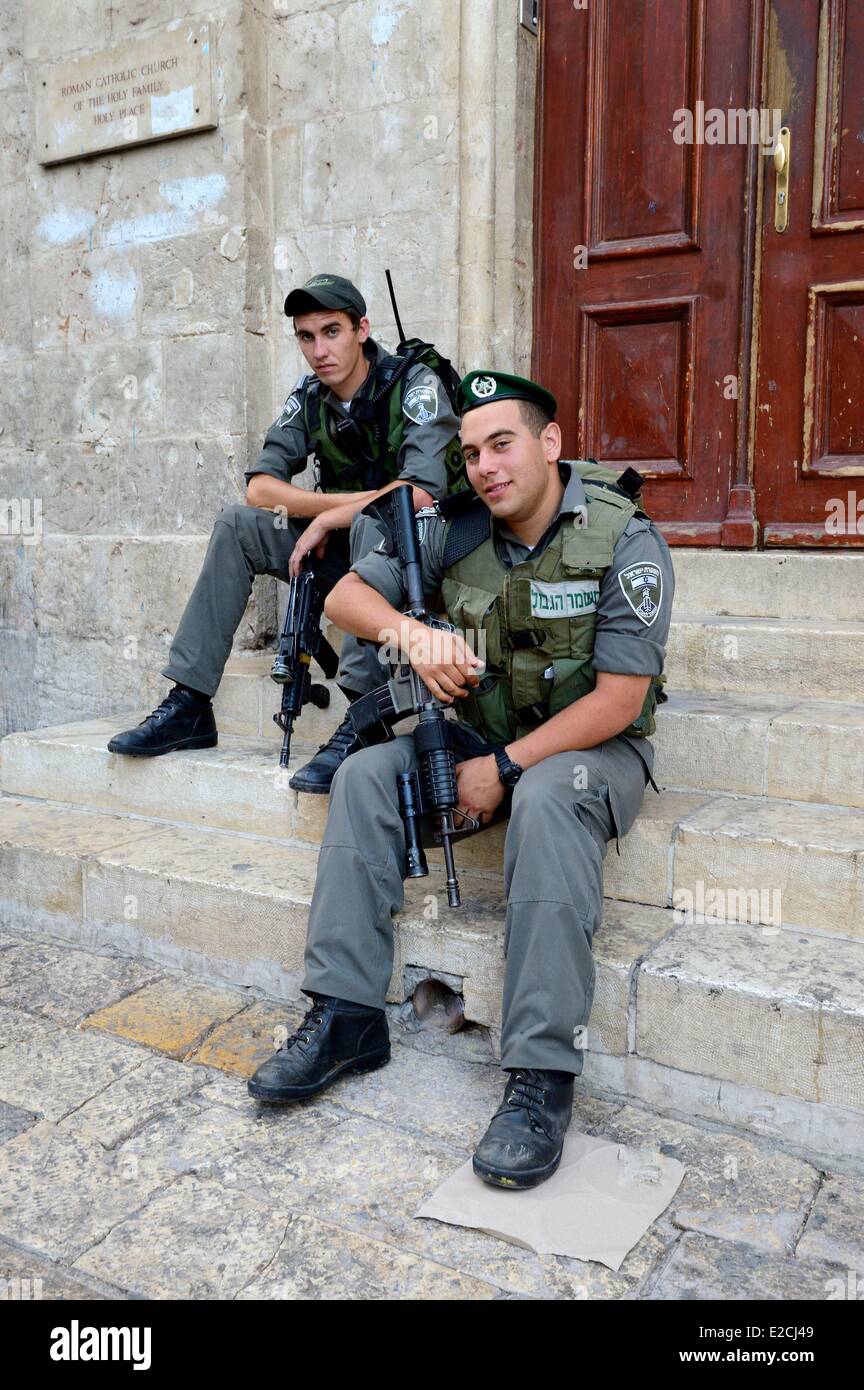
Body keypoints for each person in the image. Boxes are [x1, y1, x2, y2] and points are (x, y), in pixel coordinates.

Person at [247, 370, 675, 1190]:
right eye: (471, 451)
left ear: (550, 444)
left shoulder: (624, 539)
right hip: (482, 733)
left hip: (593, 750)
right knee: (369, 773)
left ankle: (541, 1076)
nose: (484, 465)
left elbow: (621, 699)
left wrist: (507, 769)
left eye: (502, 444)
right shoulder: (454, 526)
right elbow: (341, 594)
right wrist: (412, 633)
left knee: (548, 798)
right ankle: (345, 1017)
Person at [107, 272, 462, 793]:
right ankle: (190, 703)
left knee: (372, 519)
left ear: (362, 329)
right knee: (238, 524)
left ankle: (363, 718)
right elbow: (261, 489)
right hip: (341, 544)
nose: (319, 349)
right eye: (306, 336)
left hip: (411, 554)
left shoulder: (415, 386)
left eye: (332, 331)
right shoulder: (311, 395)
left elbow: (420, 493)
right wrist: (328, 513)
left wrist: (331, 517)